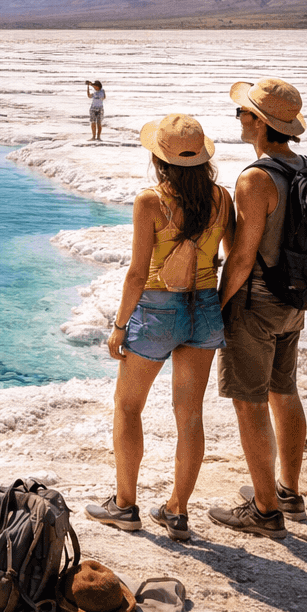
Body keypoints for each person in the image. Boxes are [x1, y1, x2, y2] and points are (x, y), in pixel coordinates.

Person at [86, 113, 233, 542]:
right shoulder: (222, 198)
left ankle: (125, 505)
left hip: (156, 311)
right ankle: (177, 510)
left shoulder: (151, 201)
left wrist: (118, 326)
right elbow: (232, 256)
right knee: (190, 415)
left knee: (128, 407)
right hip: (204, 308)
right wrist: (214, 305)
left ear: (159, 159)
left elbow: (136, 273)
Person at [209, 78, 307, 540]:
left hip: (258, 304)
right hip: (295, 302)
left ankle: (266, 510)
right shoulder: (306, 167)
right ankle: (288, 490)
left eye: (243, 114)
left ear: (261, 123)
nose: (238, 119)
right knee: (284, 391)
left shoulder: (256, 178)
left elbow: (243, 256)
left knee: (250, 403)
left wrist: (217, 306)